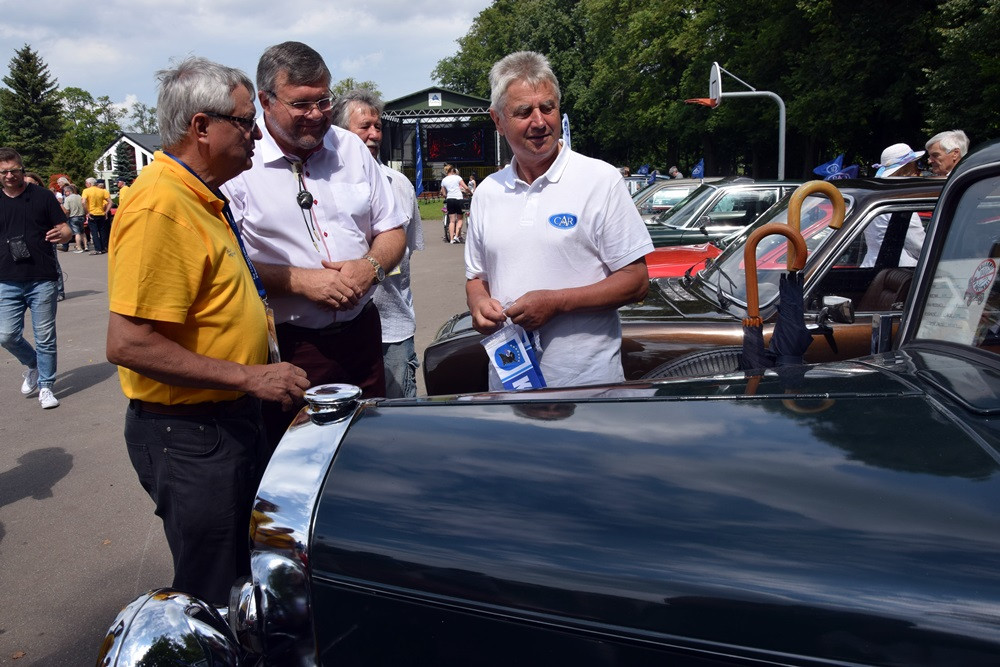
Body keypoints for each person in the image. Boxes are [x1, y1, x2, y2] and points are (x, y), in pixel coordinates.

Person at [105, 56, 310, 605]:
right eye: (245, 122)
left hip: (220, 422)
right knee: (214, 591)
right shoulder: (161, 206)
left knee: (242, 577)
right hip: (191, 434)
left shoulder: (197, 195)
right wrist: (249, 377)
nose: (256, 133)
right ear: (201, 127)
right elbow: (128, 342)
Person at [222, 41, 405, 448]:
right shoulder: (238, 162)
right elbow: (224, 262)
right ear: (266, 101)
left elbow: (393, 230)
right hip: (290, 349)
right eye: (302, 104)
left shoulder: (351, 147)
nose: (318, 115)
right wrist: (299, 282)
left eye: (324, 101)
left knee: (368, 450)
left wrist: (370, 267)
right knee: (298, 462)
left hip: (361, 337)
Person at [466, 51, 653, 390]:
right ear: (497, 120)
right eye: (524, 112)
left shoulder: (600, 179)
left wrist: (556, 302)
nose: (539, 122)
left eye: (548, 108)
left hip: (588, 388)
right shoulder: (487, 193)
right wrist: (479, 304)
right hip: (510, 385)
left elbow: (637, 281)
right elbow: (476, 278)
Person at [333, 90, 424, 398]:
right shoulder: (322, 184)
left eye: (378, 126)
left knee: (399, 426)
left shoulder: (399, 184)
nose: (374, 134)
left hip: (394, 329)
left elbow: (406, 251)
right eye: (364, 127)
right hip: (342, 331)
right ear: (341, 131)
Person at [0, 148, 73, 408]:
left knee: (44, 336)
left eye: (14, 170)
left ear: (22, 169)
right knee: (6, 335)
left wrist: (63, 235)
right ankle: (33, 365)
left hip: (41, 277)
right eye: (4, 171)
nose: (10, 175)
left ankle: (46, 386)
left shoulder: (42, 196)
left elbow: (66, 229)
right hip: (6, 279)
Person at [863, 143, 926, 268]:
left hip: (870, 263)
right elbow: (920, 247)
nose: (916, 173)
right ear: (905, 170)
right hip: (898, 269)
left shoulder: (876, 197)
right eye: (915, 167)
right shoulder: (901, 203)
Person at [440, 165, 469, 243]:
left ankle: (451, 239)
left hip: (450, 199)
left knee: (452, 221)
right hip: (459, 199)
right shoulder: (457, 178)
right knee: (460, 219)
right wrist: (470, 192)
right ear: (453, 170)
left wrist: (446, 195)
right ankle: (457, 235)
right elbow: (466, 187)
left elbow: (443, 193)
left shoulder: (444, 180)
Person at [81, 176, 110, 254]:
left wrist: (87, 212)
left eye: (86, 183)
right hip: (101, 213)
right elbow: (110, 202)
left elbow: (83, 202)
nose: (86, 184)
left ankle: (98, 249)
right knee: (102, 231)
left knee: (94, 232)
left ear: (89, 184)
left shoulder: (86, 191)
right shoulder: (102, 191)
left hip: (92, 213)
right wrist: (106, 211)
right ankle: (104, 247)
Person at [61, 184, 87, 252]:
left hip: (73, 217)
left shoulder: (68, 198)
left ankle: (79, 247)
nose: (64, 193)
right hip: (81, 216)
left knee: (77, 233)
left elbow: (66, 210)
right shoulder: (79, 196)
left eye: (65, 192)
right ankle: (86, 246)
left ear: (68, 191)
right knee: (82, 232)